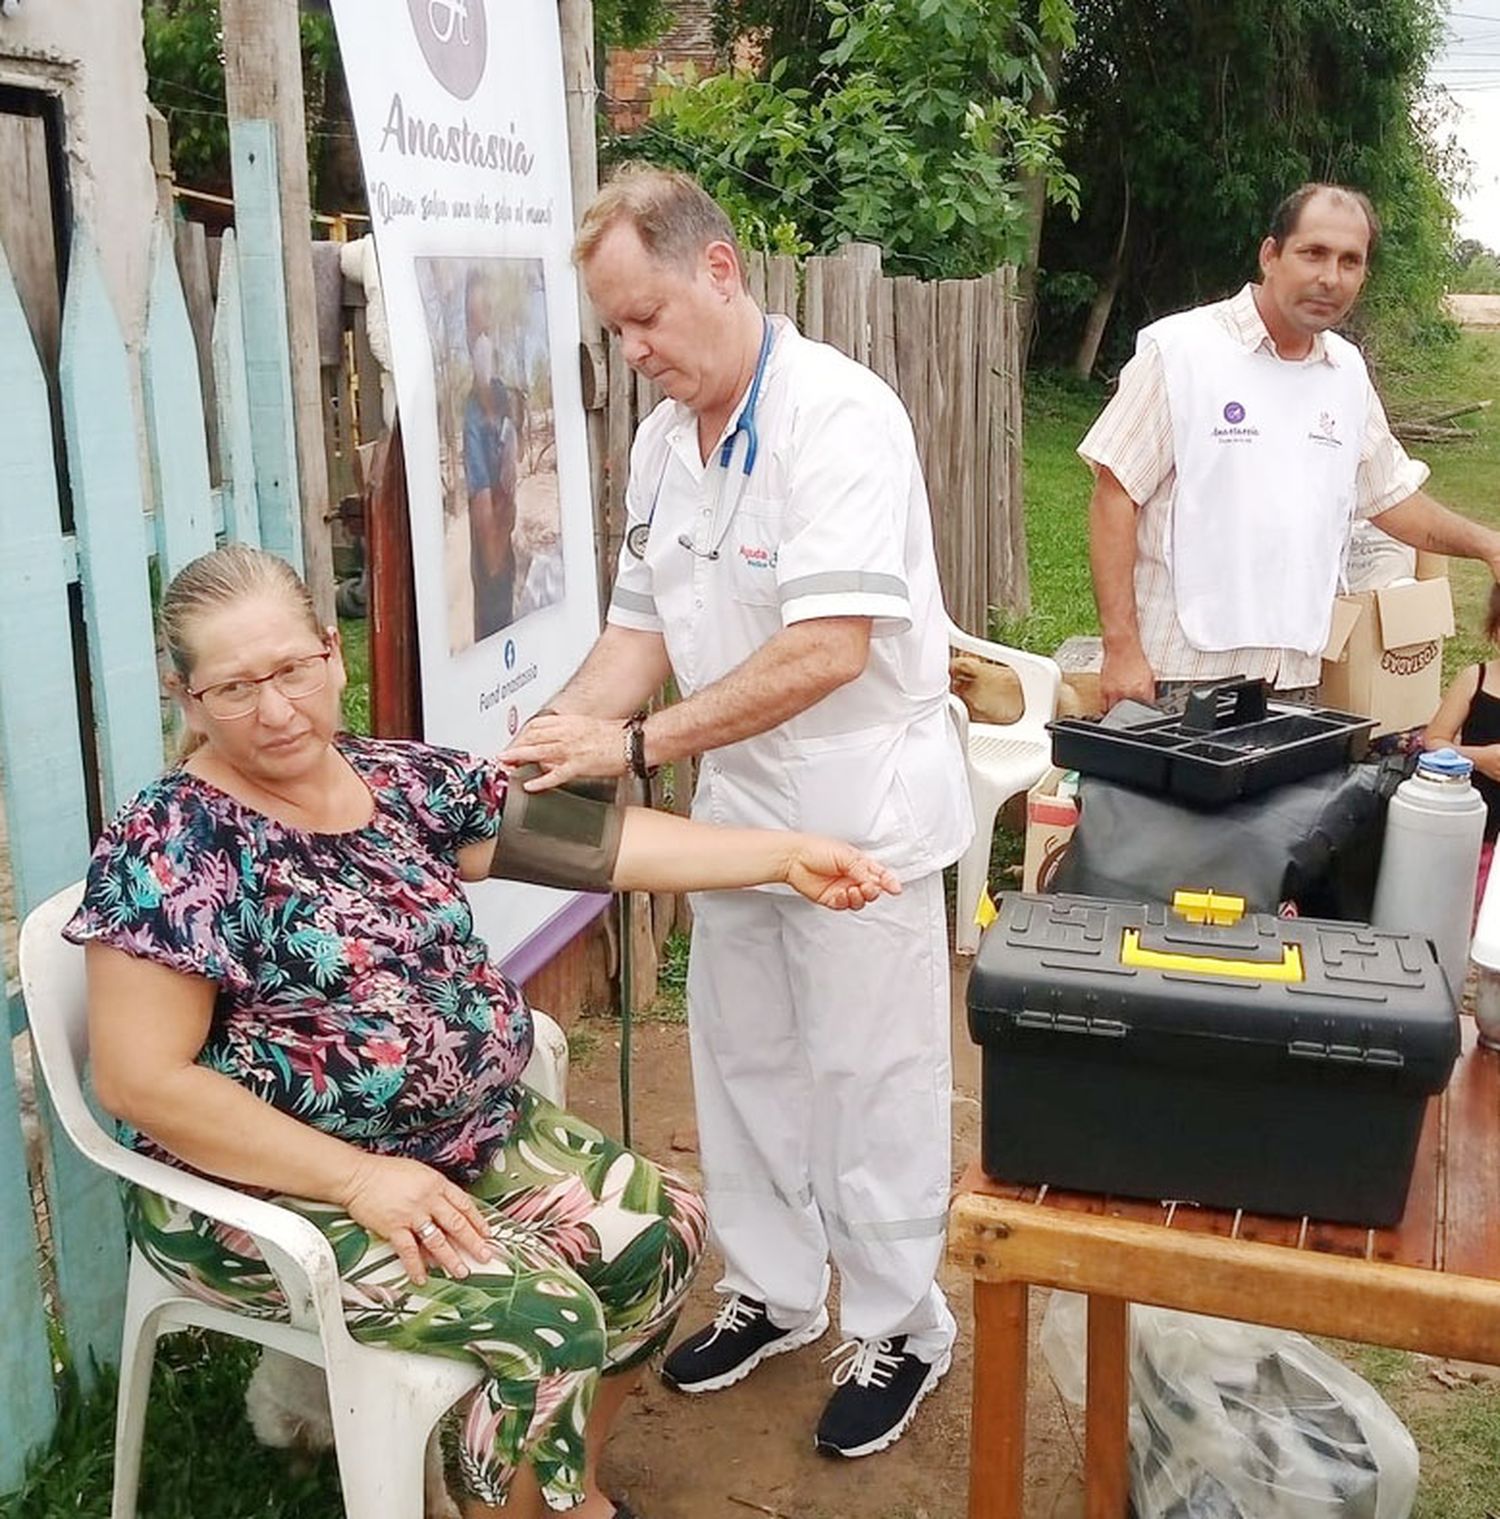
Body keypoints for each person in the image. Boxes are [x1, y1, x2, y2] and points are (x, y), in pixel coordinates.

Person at [65, 543, 901, 1519]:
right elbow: (139, 1081)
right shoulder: (171, 840)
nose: (279, 709)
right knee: (541, 1321)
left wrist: (783, 853)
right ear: (189, 697)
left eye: (292, 670)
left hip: (456, 1138)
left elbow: (602, 847)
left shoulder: (398, 781)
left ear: (331, 655)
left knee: (660, 1235)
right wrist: (359, 1177)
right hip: (264, 1183)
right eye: (237, 687)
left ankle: (543, 1489)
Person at [500, 166, 971, 1459]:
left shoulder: (838, 417)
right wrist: (559, 733)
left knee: (870, 1075)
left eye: (647, 316)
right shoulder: (663, 443)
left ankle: (899, 1320)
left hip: (857, 797)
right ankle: (771, 1285)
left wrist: (634, 741)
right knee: (745, 1050)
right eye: (615, 330)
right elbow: (635, 632)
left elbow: (826, 649)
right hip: (740, 795)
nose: (636, 350)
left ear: (718, 270)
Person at [1082, 181, 1500, 711]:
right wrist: (1122, 650)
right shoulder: (1184, 352)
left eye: (1351, 261)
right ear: (1271, 255)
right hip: (1179, 678)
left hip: (1296, 680)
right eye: (1313, 254)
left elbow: (1389, 498)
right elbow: (1114, 495)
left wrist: (1488, 544)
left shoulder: (1345, 372)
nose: (1330, 277)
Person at [1425, 584, 1500, 907]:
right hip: (1476, 831)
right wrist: (1478, 758)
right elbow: (1433, 741)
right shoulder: (1476, 679)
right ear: (1495, 631)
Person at [464, 269, 521, 641]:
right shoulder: (473, 423)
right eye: (473, 319)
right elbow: (490, 546)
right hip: (492, 579)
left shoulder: (502, 396)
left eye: (487, 314)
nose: (482, 331)